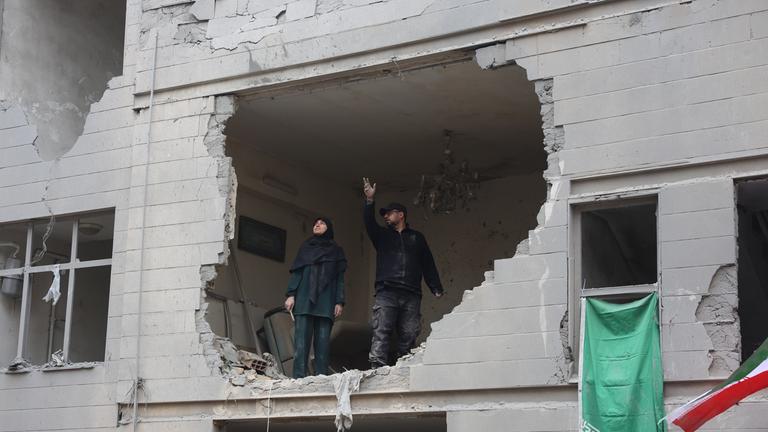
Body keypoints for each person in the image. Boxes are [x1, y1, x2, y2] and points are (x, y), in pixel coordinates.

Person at [362, 177, 444, 368]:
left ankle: (403, 369)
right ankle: (377, 368)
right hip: (387, 291)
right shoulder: (382, 236)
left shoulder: (417, 238)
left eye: (389, 214)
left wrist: (436, 287)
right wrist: (369, 201)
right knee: (381, 330)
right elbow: (368, 222)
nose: (385, 217)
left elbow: (427, 263)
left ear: (401, 215)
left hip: (411, 293)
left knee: (409, 333)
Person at [284, 217, 347, 378]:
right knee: (301, 343)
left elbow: (340, 279)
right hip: (304, 300)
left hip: (326, 302)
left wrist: (339, 301)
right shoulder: (306, 248)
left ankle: (321, 378)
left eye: (322, 223)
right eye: (315, 223)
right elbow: (297, 272)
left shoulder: (336, 251)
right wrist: (291, 295)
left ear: (329, 228)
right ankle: (299, 378)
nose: (317, 224)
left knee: (323, 343)